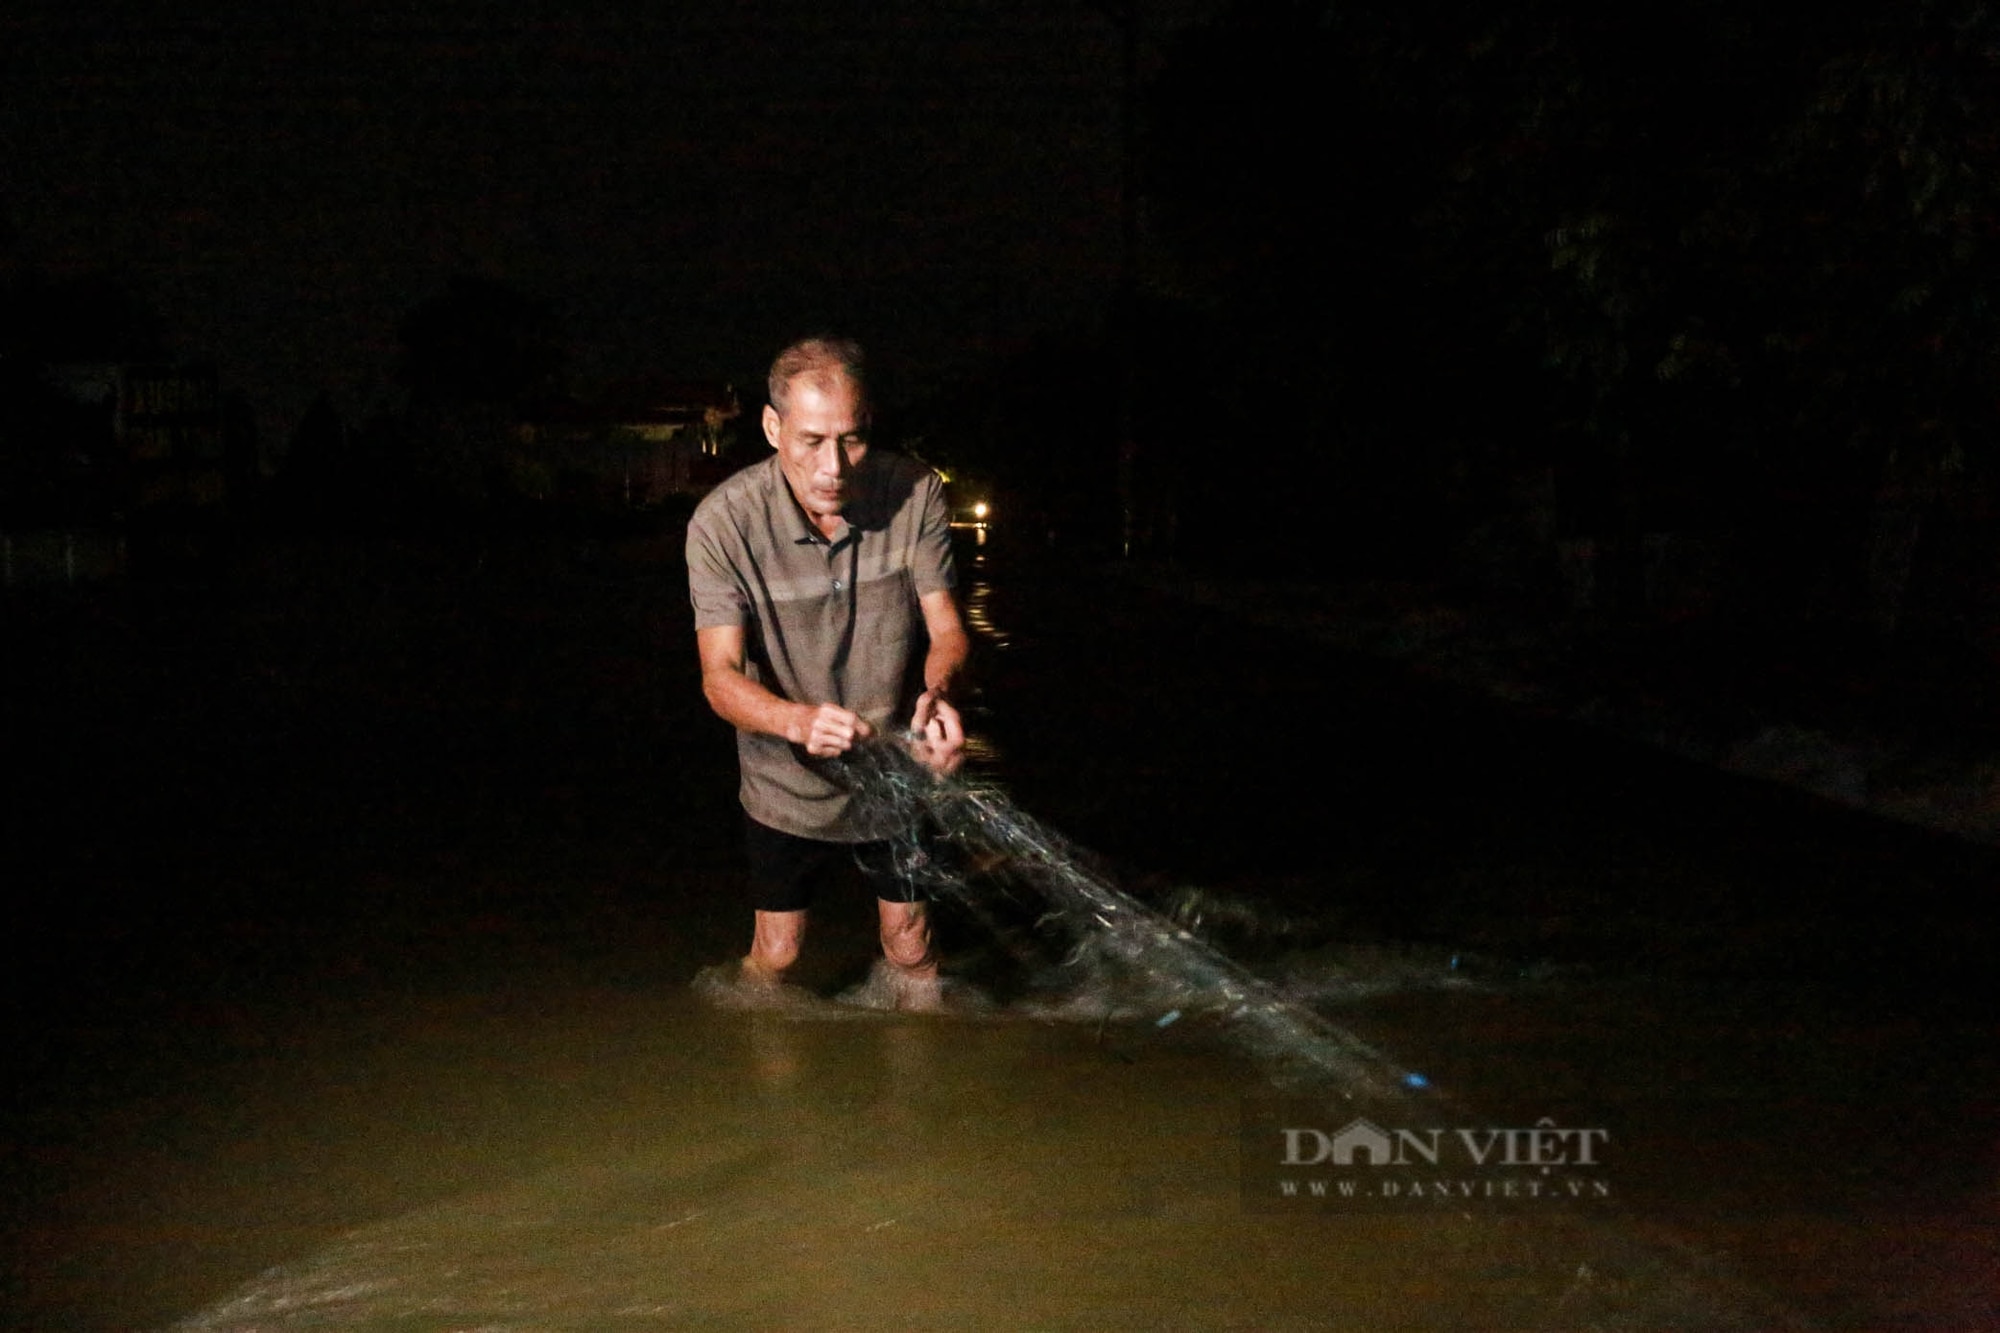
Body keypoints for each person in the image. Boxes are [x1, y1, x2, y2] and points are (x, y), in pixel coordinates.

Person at [686, 337, 969, 1009]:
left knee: (911, 947)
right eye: (812, 440)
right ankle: (738, 1072)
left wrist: (939, 696)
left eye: (853, 438)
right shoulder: (721, 524)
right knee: (777, 952)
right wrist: (796, 720)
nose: (833, 466)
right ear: (771, 427)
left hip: (896, 763)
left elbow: (949, 630)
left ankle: (933, 1094)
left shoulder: (916, 490)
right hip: (785, 776)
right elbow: (719, 676)